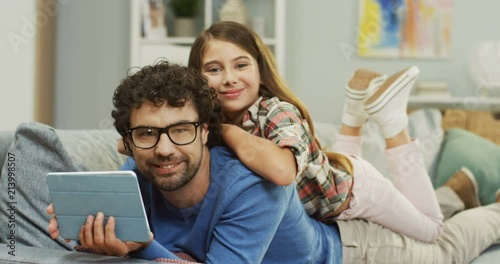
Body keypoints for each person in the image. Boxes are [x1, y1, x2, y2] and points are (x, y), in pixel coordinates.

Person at [47, 60, 500, 264]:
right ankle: (456, 189)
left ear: (207, 130)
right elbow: (106, 237)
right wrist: (86, 235)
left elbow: (147, 247)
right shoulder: (136, 176)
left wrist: (140, 247)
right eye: (146, 133)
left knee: (447, 250)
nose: (164, 148)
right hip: (335, 212)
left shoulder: (254, 187)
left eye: (181, 129)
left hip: (352, 251)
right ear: (129, 139)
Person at [186, 21, 443, 242]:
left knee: (432, 229)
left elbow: (282, 170)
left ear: (262, 74)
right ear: (197, 78)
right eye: (214, 69)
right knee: (334, 171)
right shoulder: (205, 122)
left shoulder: (276, 112)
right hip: (332, 179)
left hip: (360, 192)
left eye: (241, 65)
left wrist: (229, 132)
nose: (229, 78)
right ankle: (354, 110)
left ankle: (392, 122)